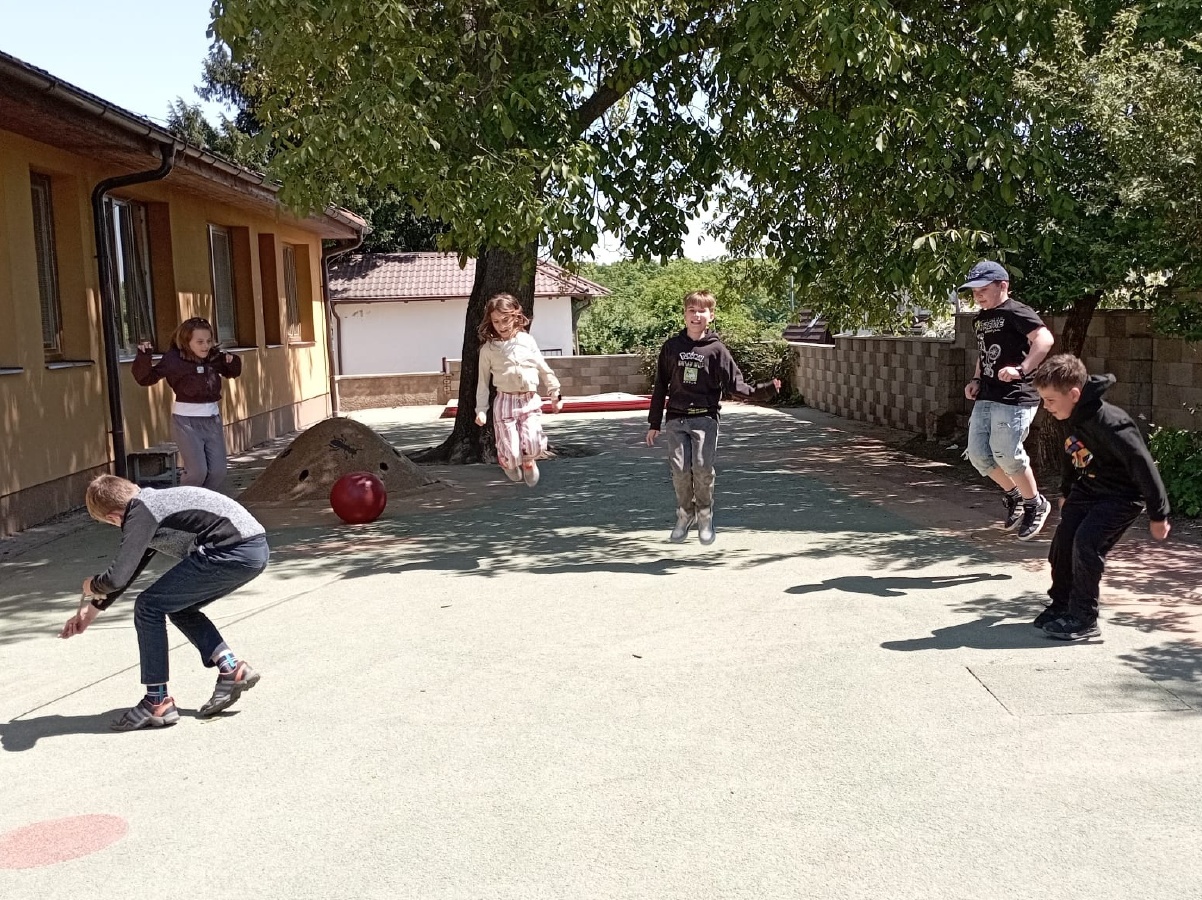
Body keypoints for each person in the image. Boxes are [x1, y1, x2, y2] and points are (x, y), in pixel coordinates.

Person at [59, 475, 271, 730]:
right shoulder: (152, 503)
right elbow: (132, 569)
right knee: (179, 608)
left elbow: (116, 578)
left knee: (148, 606)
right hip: (251, 551)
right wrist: (92, 610)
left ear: (114, 517)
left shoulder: (141, 512)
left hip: (228, 550)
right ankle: (232, 669)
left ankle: (156, 701)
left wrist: (92, 585)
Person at [1030, 354, 1171, 641]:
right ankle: (1062, 605)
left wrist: (1159, 514)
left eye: (1050, 400)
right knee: (1063, 542)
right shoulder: (1069, 415)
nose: (1046, 406)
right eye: (1043, 399)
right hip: (1089, 488)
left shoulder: (1111, 423)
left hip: (1122, 496)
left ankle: (1084, 618)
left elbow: (1142, 465)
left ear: (1074, 394)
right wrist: (1067, 491)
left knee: (1086, 542)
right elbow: (1071, 452)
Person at [646, 290, 780, 545]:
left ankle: (705, 514)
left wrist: (766, 390)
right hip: (676, 419)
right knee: (680, 471)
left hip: (705, 420)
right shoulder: (671, 347)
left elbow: (736, 385)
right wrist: (654, 422)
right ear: (684, 314)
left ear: (711, 315)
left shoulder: (717, 350)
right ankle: (685, 513)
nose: (696, 315)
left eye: (702, 311)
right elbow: (660, 385)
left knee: (702, 468)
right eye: (691, 310)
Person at [961, 260, 1055, 540]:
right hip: (987, 395)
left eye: (983, 289)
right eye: (974, 291)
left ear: (1002, 286)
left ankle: (1035, 503)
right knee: (978, 455)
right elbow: (984, 353)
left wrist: (1021, 369)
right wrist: (976, 379)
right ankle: (1015, 495)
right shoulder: (980, 319)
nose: (978, 295)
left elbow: (1045, 339)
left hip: (1016, 395)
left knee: (1006, 452)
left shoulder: (1016, 311)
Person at [133, 317, 242, 491]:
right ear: (186, 342)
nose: (205, 346)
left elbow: (233, 372)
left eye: (208, 341)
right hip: (186, 422)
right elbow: (146, 378)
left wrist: (232, 361)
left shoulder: (213, 357)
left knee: (218, 472)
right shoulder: (174, 360)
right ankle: (186, 501)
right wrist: (143, 356)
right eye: (200, 342)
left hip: (212, 420)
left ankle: (204, 502)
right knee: (197, 472)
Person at [474, 293, 563, 486]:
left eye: (505, 320)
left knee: (534, 445)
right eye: (496, 321)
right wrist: (481, 410)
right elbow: (482, 382)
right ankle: (508, 463)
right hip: (505, 402)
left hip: (529, 401)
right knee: (512, 452)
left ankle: (529, 461)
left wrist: (554, 391)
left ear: (515, 317)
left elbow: (542, 367)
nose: (501, 325)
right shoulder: (488, 350)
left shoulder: (526, 341)